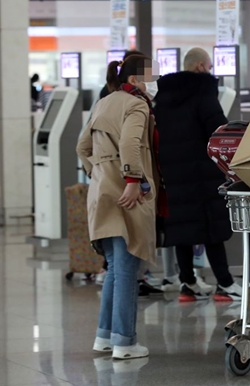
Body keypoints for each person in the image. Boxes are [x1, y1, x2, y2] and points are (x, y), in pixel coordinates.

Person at [76, 54, 165, 360]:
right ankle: (125, 342)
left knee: (116, 267)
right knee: (128, 267)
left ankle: (105, 336)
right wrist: (130, 179)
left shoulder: (104, 102)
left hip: (102, 191)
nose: (155, 81)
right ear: (135, 80)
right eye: (151, 76)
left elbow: (82, 147)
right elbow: (130, 143)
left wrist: (98, 171)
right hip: (127, 192)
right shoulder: (136, 104)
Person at [154, 47, 241, 302]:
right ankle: (224, 283)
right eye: (211, 66)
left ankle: (188, 283)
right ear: (202, 67)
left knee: (182, 228)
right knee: (211, 228)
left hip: (173, 173)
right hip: (203, 173)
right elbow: (219, 132)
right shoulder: (203, 91)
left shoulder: (164, 95)